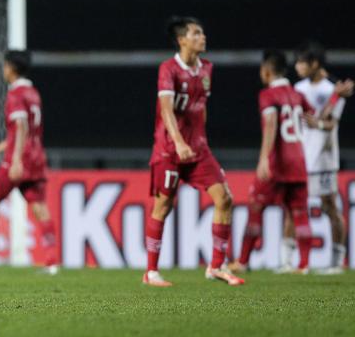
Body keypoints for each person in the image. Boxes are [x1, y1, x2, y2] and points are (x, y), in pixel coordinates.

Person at [143, 17, 243, 287]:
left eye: (203, 32)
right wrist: (178, 142)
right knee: (162, 206)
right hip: (169, 150)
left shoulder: (207, 68)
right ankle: (151, 272)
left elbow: (201, 106)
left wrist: (199, 140)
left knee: (224, 198)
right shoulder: (168, 69)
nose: (203, 37)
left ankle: (216, 266)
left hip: (198, 150)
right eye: (197, 33)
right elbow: (166, 109)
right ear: (182, 40)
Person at [0, 50, 58, 274]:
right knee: (40, 208)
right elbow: (24, 131)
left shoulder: (15, 95)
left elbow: (20, 128)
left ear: (10, 67)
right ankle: (52, 262)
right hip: (37, 157)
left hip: (18, 160)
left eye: (4, 66)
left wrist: (16, 159)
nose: (3, 70)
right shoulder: (33, 93)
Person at [233, 51, 317, 274]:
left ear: (267, 71)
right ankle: (304, 265)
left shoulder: (268, 95)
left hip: (278, 162)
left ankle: (242, 262)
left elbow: (270, 124)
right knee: (299, 213)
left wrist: (263, 158)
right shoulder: (297, 94)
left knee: (256, 207)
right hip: (299, 161)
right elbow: (314, 118)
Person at [285, 41, 353, 273]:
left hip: (323, 157)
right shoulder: (299, 88)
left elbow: (331, 123)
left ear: (314, 64)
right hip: (301, 155)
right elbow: (305, 119)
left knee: (330, 207)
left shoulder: (333, 88)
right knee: (293, 205)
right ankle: (288, 261)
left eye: (301, 62)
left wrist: (322, 117)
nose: (297, 67)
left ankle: (336, 262)